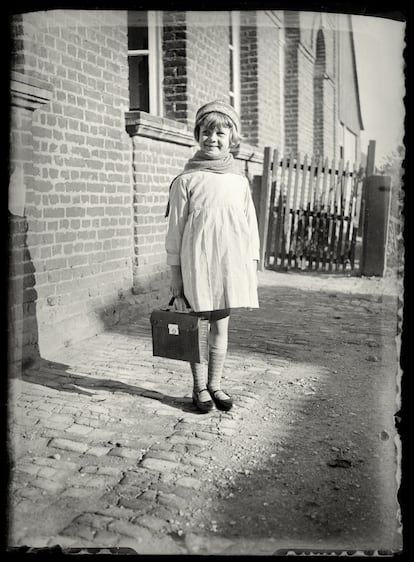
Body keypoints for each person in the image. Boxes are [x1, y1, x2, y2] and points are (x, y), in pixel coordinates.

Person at [165, 100, 260, 413]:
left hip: (228, 267)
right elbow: (175, 235)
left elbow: (250, 226)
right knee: (195, 328)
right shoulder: (186, 181)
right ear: (197, 135)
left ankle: (216, 384)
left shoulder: (239, 182)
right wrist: (176, 283)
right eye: (206, 132)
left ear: (232, 137)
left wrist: (251, 263)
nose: (213, 139)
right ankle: (198, 387)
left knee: (221, 327)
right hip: (197, 267)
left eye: (221, 132)